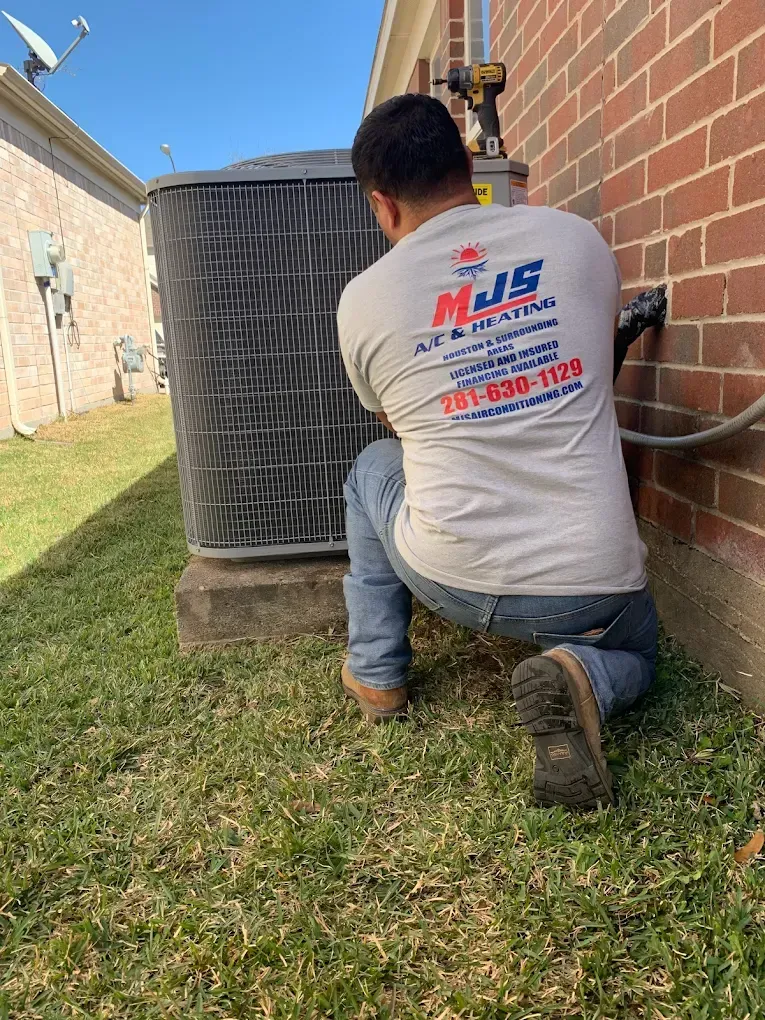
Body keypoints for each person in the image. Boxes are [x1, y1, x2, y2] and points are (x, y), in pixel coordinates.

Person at [336, 93, 659, 810]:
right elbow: (590, 368)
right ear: (469, 170)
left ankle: (377, 671)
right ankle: (580, 669)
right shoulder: (576, 240)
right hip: (595, 588)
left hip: (451, 576)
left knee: (371, 470)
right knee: (639, 654)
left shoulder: (362, 300)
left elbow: (399, 425)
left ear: (382, 205)